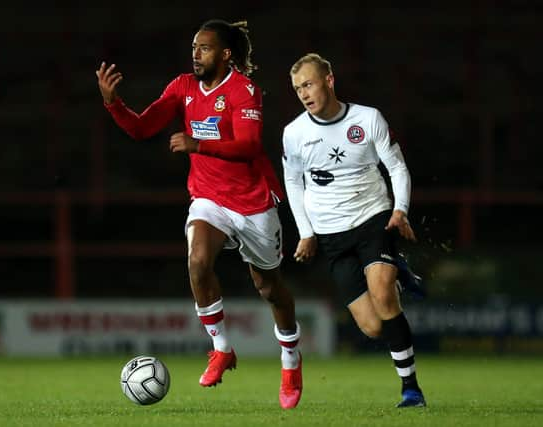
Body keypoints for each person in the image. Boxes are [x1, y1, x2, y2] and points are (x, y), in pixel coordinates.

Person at [96, 19, 302, 410]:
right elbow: (142, 128)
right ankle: (221, 349)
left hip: (253, 200)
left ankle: (291, 359)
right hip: (208, 197)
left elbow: (248, 145)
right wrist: (113, 104)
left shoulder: (245, 91)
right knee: (198, 261)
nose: (196, 53)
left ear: (225, 54)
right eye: (194, 46)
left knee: (270, 289)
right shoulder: (183, 87)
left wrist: (198, 144)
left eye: (205, 47)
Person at [281, 53, 426, 408]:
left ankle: (411, 389)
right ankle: (400, 271)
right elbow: (292, 183)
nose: (304, 93)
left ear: (329, 80)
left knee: (383, 295)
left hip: (372, 218)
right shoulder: (294, 133)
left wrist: (400, 209)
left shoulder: (368, 118)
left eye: (309, 84)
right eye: (298, 88)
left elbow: (396, 166)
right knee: (374, 327)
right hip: (331, 237)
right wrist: (306, 232)